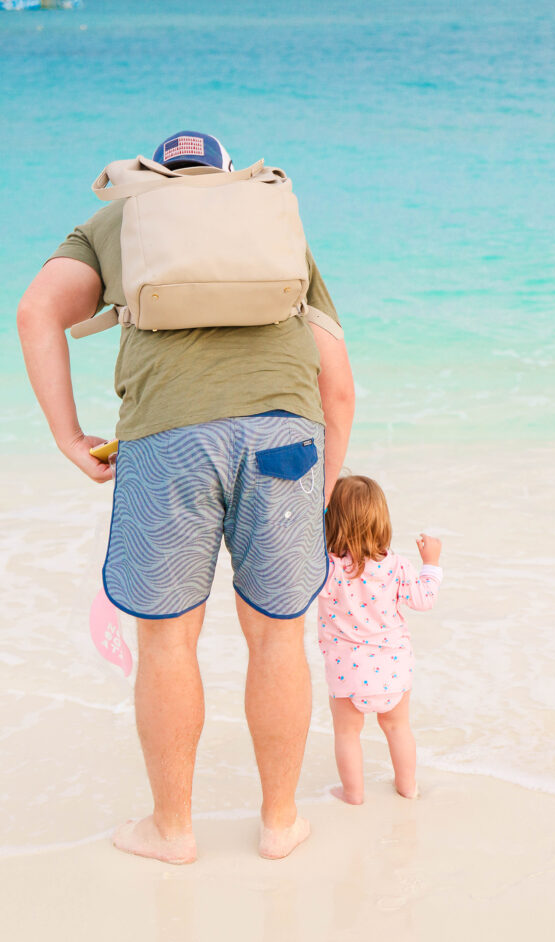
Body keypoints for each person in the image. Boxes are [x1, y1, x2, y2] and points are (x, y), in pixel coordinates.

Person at [17, 130, 355, 864]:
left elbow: (35, 312)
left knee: (168, 639)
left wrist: (70, 437)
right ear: (229, 176)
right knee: (276, 636)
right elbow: (339, 383)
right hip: (286, 440)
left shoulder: (117, 221)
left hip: (169, 442)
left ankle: (172, 831)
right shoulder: (275, 223)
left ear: (156, 175)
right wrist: (323, 487)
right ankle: (279, 824)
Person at [317, 475, 442, 804]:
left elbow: (299, 593)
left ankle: (353, 794)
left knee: (347, 733)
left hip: (347, 671)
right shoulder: (398, 566)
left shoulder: (326, 569)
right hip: (394, 666)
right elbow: (424, 600)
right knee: (398, 729)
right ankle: (407, 787)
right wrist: (431, 564)